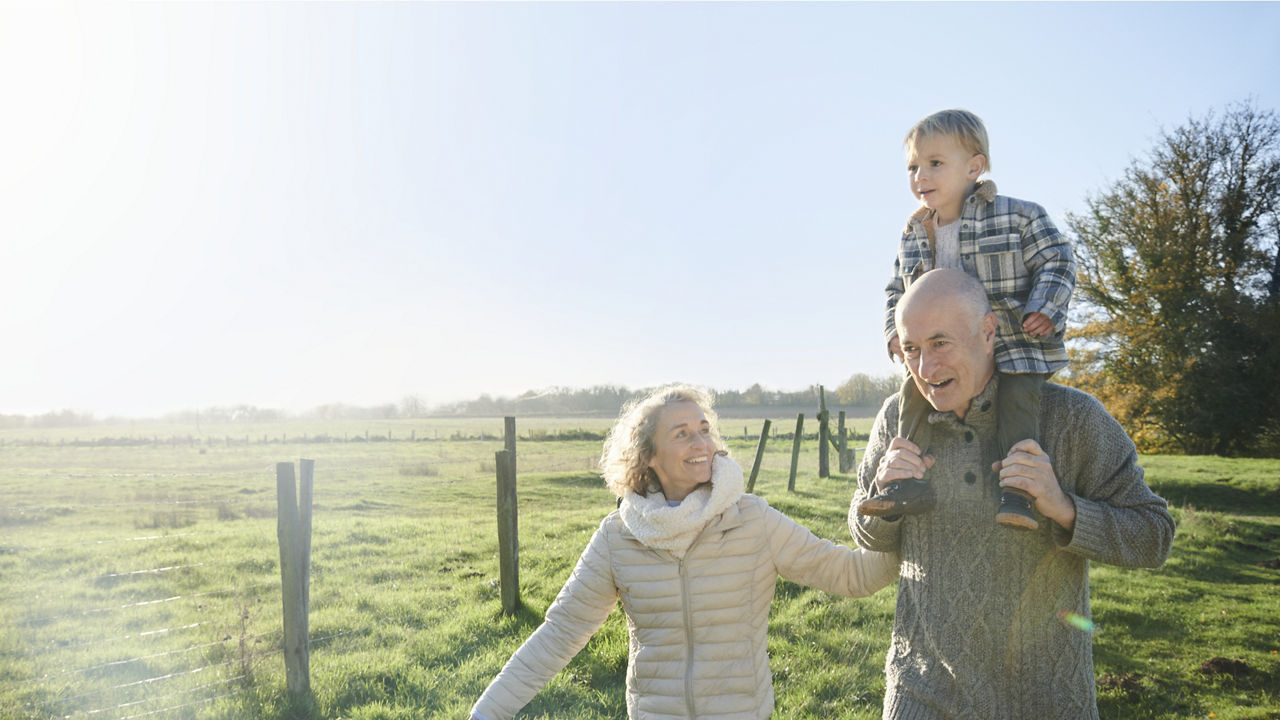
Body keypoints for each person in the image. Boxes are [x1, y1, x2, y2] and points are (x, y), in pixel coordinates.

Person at [850, 269, 1175, 719]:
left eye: (940, 343)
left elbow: (1154, 537)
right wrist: (881, 501)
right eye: (911, 349)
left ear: (988, 332)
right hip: (920, 691)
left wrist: (1063, 509)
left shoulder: (1072, 418)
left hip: (1045, 699)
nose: (925, 368)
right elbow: (866, 533)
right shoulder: (897, 419)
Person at [471, 385, 899, 720]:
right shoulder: (618, 537)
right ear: (648, 456)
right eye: (682, 434)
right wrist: (487, 712)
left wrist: (907, 529)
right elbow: (561, 633)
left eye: (704, 430)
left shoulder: (751, 519)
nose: (702, 444)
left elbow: (852, 574)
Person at [861, 108, 1076, 530]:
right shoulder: (914, 231)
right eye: (913, 167)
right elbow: (896, 290)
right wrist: (894, 331)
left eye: (935, 164)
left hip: (1013, 341)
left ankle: (1018, 493)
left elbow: (1059, 260)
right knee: (912, 401)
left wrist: (1044, 308)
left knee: (1018, 407)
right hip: (940, 353)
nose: (920, 176)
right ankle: (906, 485)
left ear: (974, 166)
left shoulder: (1017, 215)